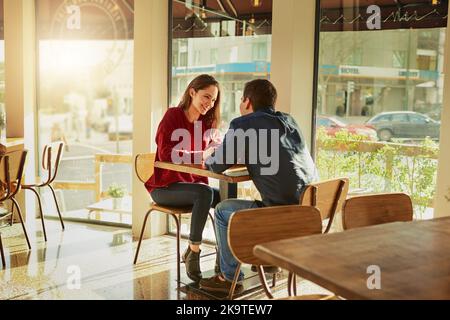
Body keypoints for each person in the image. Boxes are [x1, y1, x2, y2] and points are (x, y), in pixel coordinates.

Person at [199, 79, 318, 293]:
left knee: (222, 211)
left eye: (241, 100)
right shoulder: (289, 121)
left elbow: (217, 165)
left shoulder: (243, 124)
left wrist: (208, 157)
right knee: (269, 198)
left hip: (277, 216)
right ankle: (269, 258)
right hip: (306, 213)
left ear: (247, 101)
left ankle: (228, 278)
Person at [145, 74, 222, 282]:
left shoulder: (207, 123)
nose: (210, 103)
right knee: (204, 192)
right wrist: (202, 155)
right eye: (206, 97)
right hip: (164, 187)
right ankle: (193, 252)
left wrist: (214, 148)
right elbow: (167, 154)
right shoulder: (173, 116)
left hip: (192, 188)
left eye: (213, 100)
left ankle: (224, 255)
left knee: (225, 198)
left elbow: (217, 143)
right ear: (192, 92)